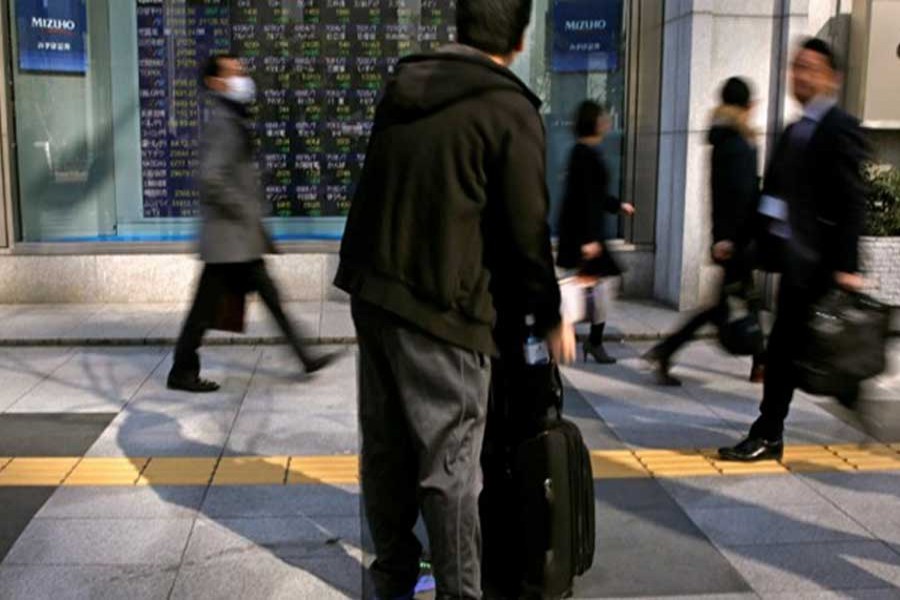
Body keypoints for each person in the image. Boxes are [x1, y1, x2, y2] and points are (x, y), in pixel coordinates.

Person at [334, 0, 575, 596]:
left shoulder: (405, 87)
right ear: (518, 40)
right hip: (444, 305)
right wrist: (549, 317)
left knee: (387, 445)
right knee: (452, 467)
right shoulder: (507, 108)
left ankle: (391, 570)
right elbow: (526, 232)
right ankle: (459, 592)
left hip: (374, 291)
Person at [719, 38, 868, 462]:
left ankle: (780, 427)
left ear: (832, 78)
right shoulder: (792, 131)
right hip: (793, 263)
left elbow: (852, 200)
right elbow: (772, 196)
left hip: (821, 266)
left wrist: (846, 266)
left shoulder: (840, 127)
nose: (800, 76)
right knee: (788, 351)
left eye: (810, 68)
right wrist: (742, 240)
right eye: (796, 67)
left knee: (804, 351)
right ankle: (772, 431)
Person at [167, 54, 335, 392]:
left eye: (242, 70)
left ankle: (304, 356)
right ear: (215, 83)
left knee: (264, 298)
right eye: (233, 73)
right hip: (228, 239)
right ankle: (182, 371)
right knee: (205, 311)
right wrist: (244, 205)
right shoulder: (223, 123)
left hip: (236, 239)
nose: (243, 77)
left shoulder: (231, 119)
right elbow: (210, 177)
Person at [644, 77, 765, 386]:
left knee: (733, 303)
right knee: (730, 305)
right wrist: (731, 238)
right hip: (737, 240)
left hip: (730, 238)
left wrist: (721, 235)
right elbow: (739, 195)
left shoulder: (725, 138)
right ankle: (758, 363)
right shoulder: (738, 143)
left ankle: (758, 363)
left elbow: (722, 193)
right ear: (746, 105)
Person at [556, 101, 635, 365]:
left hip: (588, 234)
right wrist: (588, 240)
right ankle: (572, 333)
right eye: (603, 118)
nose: (607, 122)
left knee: (597, 284)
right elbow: (583, 198)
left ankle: (589, 339)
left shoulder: (587, 152)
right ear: (593, 122)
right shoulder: (583, 154)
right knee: (591, 285)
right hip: (585, 235)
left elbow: (596, 194)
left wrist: (617, 205)